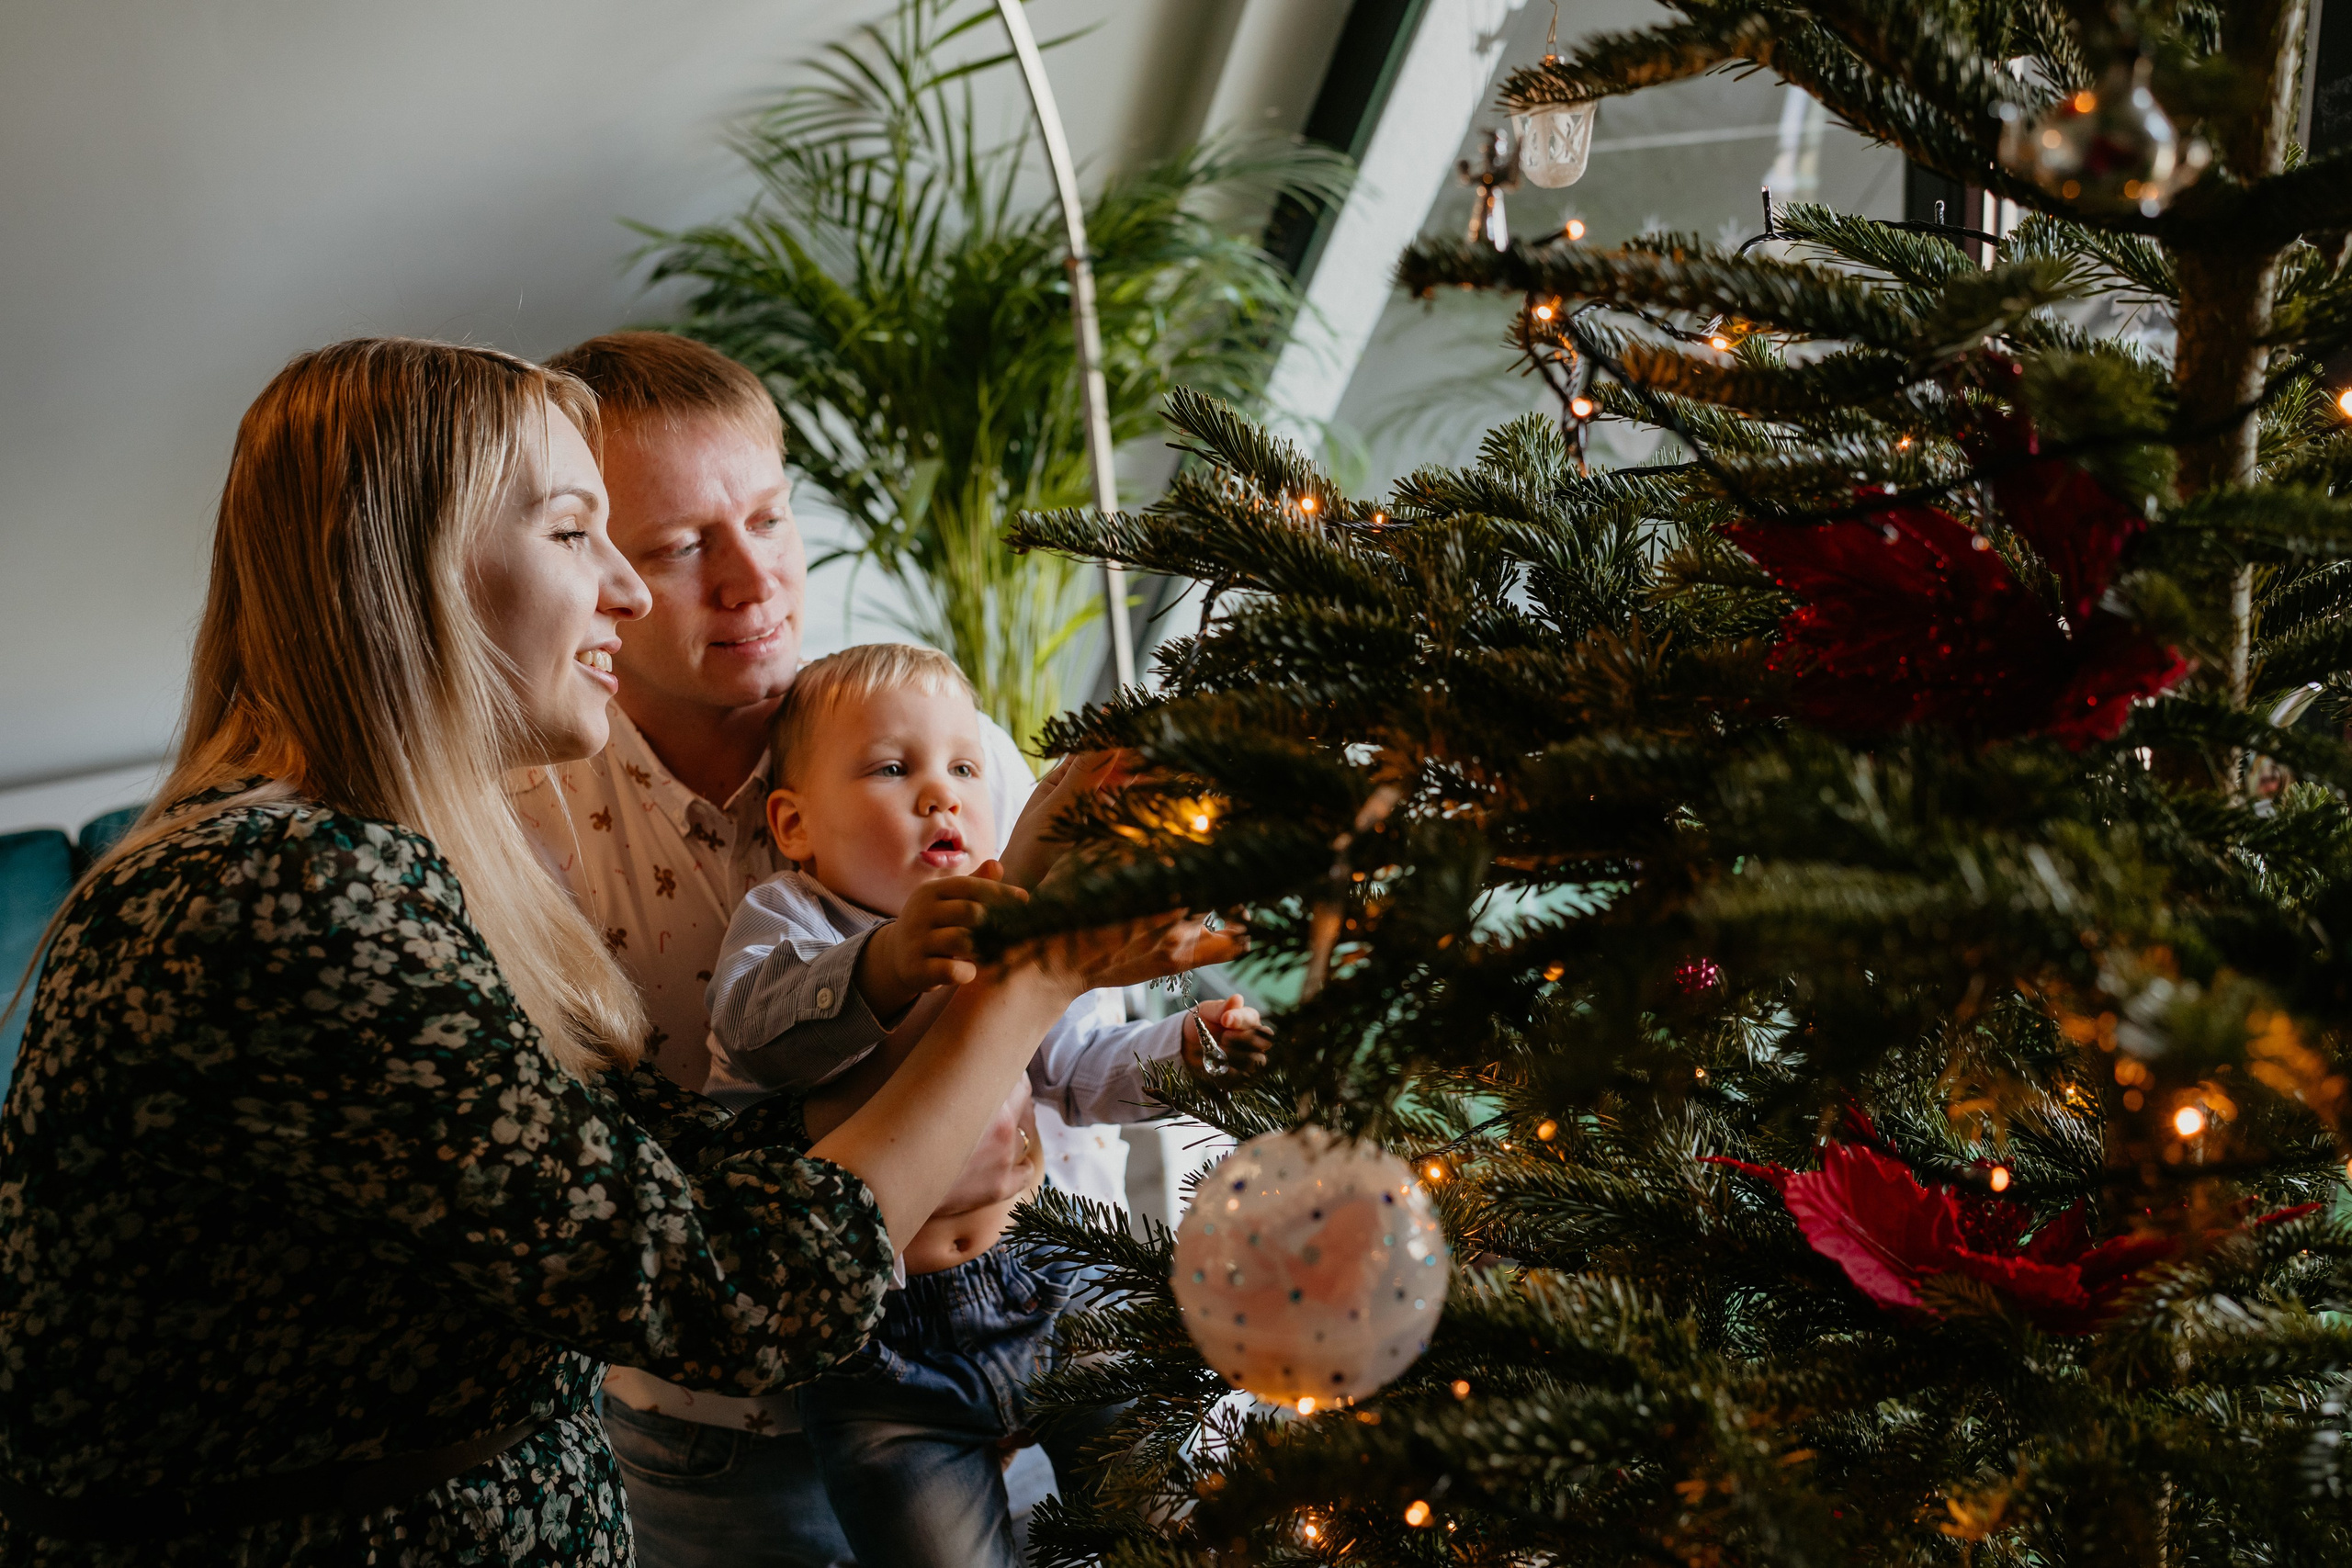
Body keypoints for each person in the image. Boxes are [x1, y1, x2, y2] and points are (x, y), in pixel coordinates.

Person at [0, 338, 1214, 1566]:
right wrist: (1031, 965)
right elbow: (723, 1287)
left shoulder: (374, 869)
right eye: (582, 534)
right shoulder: (286, 897)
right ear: (413, 573)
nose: (626, 595)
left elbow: (681, 1164)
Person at [510, 331, 1067, 1566]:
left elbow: (1065, 1033)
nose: (754, 579)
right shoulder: (528, 829)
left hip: (1015, 1340)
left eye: (768, 516)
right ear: (587, 561)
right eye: (678, 547)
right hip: (720, 1443)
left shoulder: (938, 741)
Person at [707, 643, 1263, 1566]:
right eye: (895, 768)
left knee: (1163, 1517)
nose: (942, 795)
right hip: (880, 1361)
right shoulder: (788, 918)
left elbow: (1077, 1069)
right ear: (795, 823)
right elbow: (755, 1041)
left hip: (1046, 1286)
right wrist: (883, 965)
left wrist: (1183, 1051)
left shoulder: (1011, 921)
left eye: (963, 767)